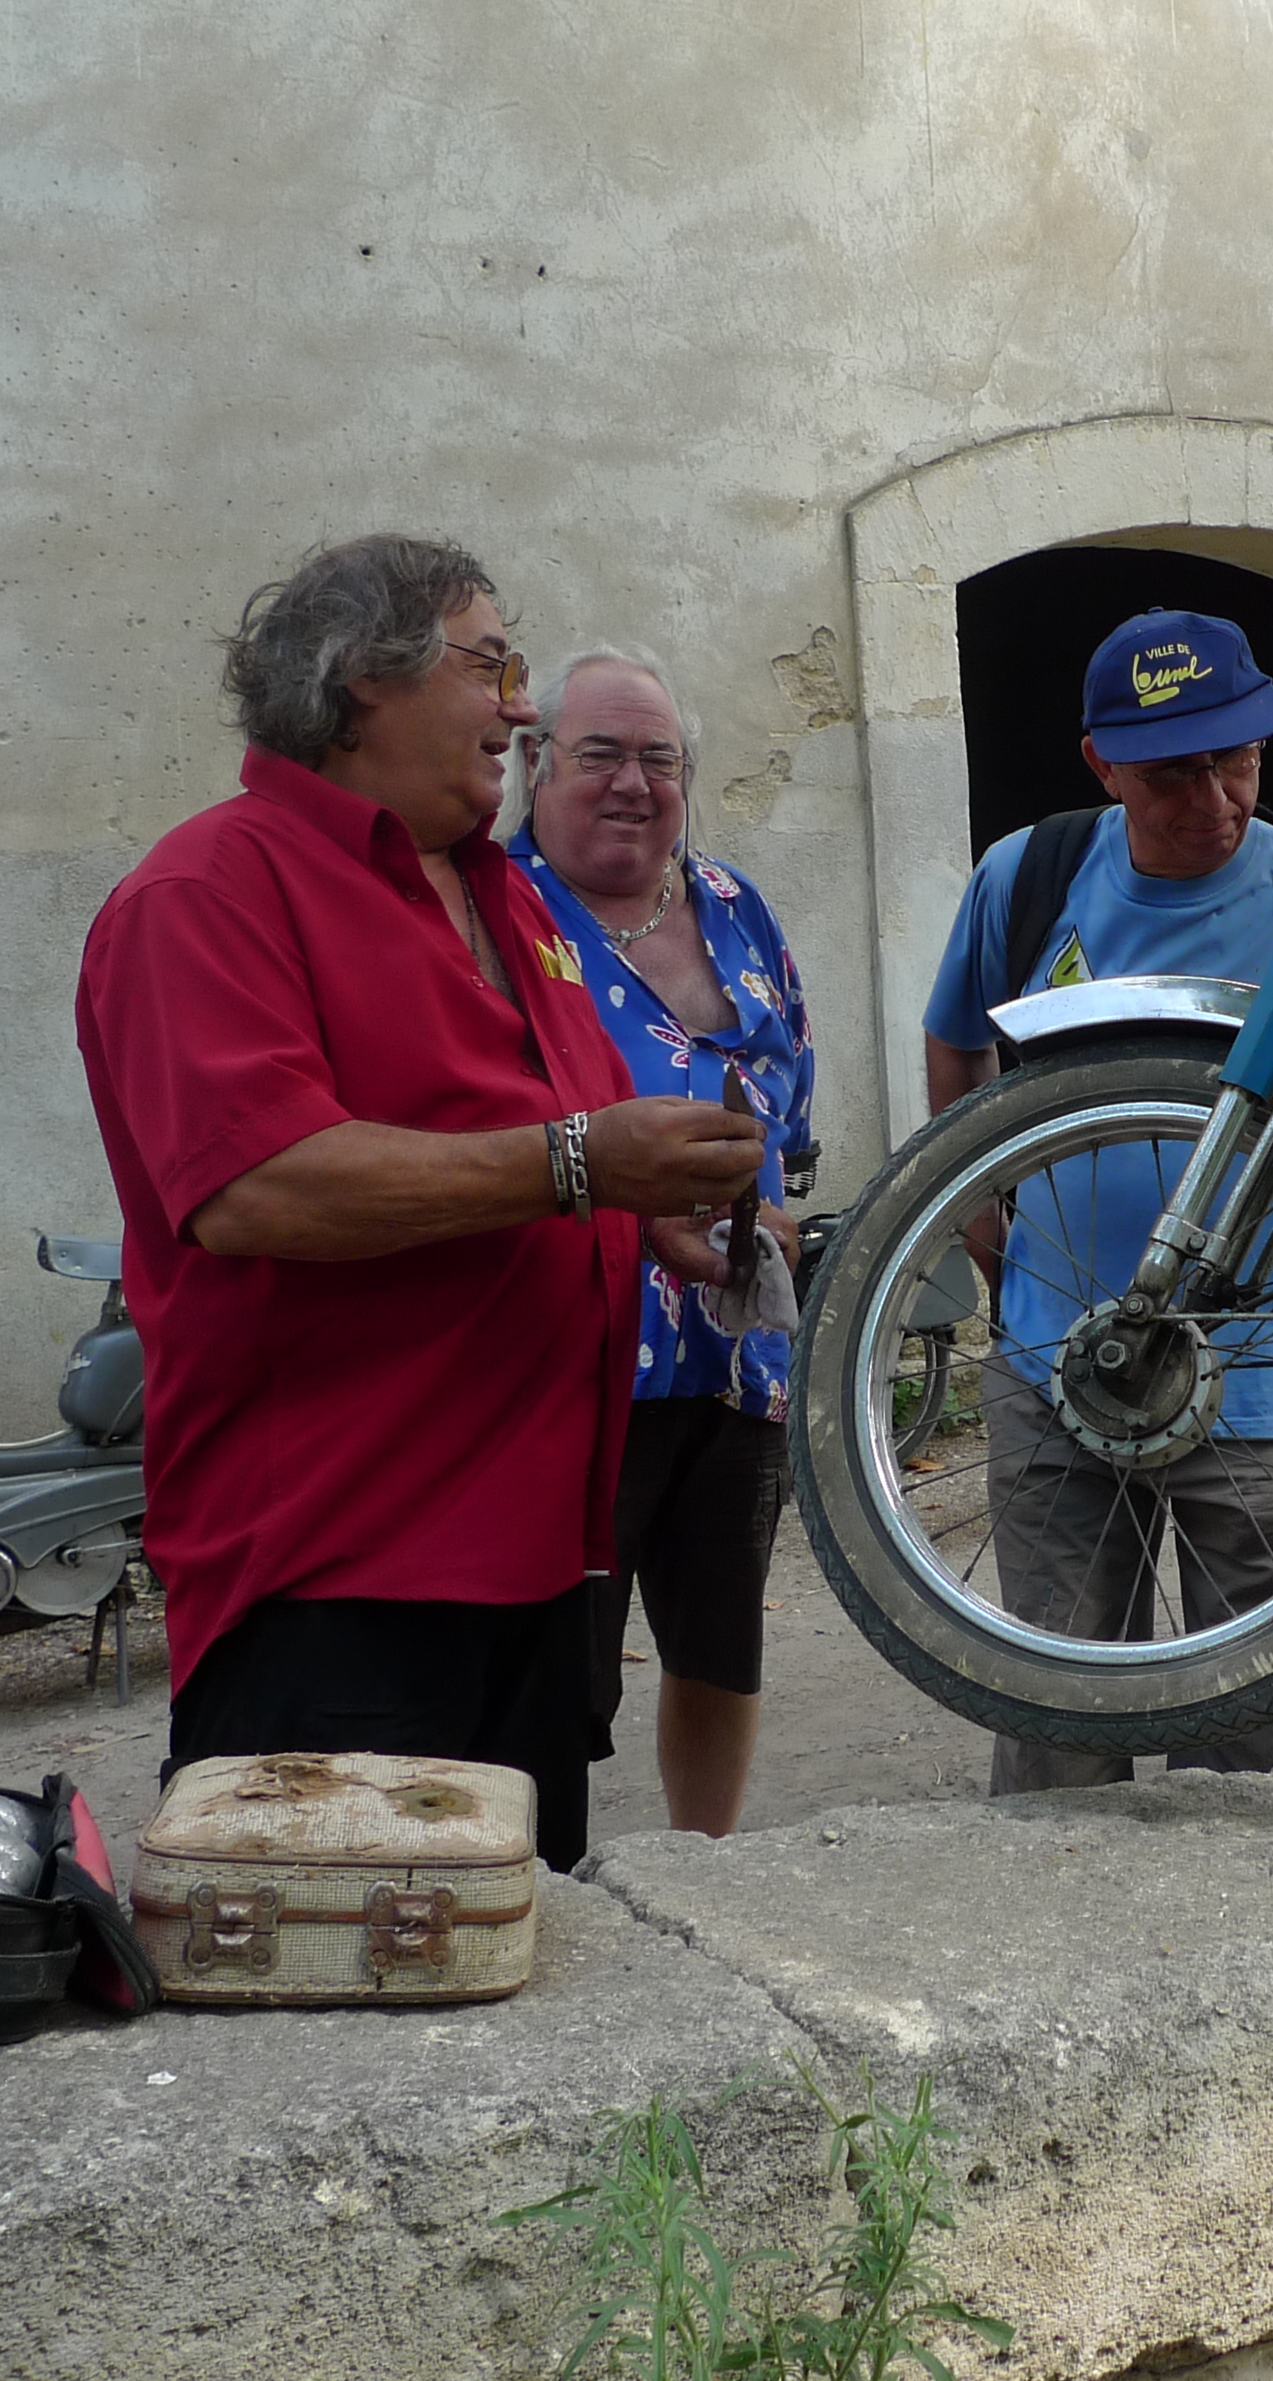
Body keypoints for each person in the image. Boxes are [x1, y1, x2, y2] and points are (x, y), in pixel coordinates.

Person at [74, 537, 764, 1872]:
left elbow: (519, 1153)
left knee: (503, 1975)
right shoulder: (207, 893)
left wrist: (641, 1218)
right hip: (339, 1580)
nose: (519, 704)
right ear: (356, 688)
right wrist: (581, 1168)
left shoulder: (511, 894)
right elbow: (258, 1186)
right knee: (335, 2004)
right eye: (489, 662)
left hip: (543, 1571)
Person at [922, 611, 1273, 1797]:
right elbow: (956, 1052)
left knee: (1264, 1736)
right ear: (1100, 763)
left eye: (1238, 759)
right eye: (1172, 773)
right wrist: (977, 1215)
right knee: (1055, 1719)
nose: (1214, 797)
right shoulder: (1029, 877)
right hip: (1057, 1363)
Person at [511, 646, 816, 1839]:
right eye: (599, 755)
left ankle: (705, 1861)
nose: (631, 782)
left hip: (734, 1359)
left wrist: (777, 1206)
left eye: (658, 758)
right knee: (561, 1650)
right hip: (573, 1355)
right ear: (538, 766)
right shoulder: (494, 910)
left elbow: (790, 1105)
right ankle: (550, 1876)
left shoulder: (735, 908)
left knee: (720, 1640)